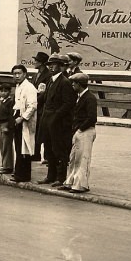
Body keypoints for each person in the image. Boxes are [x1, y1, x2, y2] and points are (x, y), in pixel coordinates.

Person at [39, 53, 77, 186]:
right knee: (48, 149)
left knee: (59, 150)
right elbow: (45, 99)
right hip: (48, 120)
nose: (51, 67)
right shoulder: (50, 80)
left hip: (59, 123)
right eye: (49, 65)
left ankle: (61, 178)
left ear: (61, 66)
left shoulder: (65, 82)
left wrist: (56, 115)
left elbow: (68, 104)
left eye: (54, 65)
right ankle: (51, 176)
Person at [60, 73, 97, 193]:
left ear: (79, 85)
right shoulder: (81, 96)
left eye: (74, 83)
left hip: (85, 131)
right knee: (74, 158)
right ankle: (70, 182)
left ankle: (80, 185)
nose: (72, 85)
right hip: (79, 131)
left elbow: (92, 118)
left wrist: (80, 128)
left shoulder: (89, 98)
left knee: (82, 159)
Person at [10, 64, 38, 183]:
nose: (17, 76)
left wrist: (22, 118)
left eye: (19, 73)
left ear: (25, 74)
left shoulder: (29, 87)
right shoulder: (18, 86)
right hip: (17, 116)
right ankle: (18, 172)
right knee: (18, 146)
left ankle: (24, 175)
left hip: (25, 120)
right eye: (15, 73)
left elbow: (32, 106)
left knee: (24, 147)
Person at [31, 51, 52, 161]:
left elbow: (44, 93)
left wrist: (35, 101)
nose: (34, 62)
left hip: (42, 106)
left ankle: (42, 155)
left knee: (41, 130)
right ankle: (35, 153)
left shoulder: (48, 75)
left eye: (36, 61)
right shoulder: (35, 75)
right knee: (35, 129)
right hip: (35, 105)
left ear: (42, 63)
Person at [0, 81, 15, 175]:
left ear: (9, 92)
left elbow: (11, 115)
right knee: (2, 146)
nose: (3, 93)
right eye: (1, 91)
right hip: (1, 124)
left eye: (5, 91)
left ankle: (8, 166)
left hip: (6, 125)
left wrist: (8, 126)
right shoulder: (2, 101)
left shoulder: (10, 102)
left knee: (7, 146)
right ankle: (4, 164)